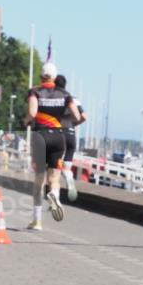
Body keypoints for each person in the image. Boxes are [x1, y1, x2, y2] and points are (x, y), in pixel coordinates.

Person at [24, 62, 80, 230]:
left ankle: (37, 221)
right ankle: (55, 195)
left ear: (41, 76)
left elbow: (32, 113)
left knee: (39, 180)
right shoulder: (65, 94)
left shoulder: (35, 92)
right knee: (54, 178)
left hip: (41, 137)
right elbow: (76, 115)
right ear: (55, 77)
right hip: (58, 137)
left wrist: (26, 121)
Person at [55, 74, 87, 202]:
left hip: (58, 134)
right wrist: (74, 124)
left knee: (55, 167)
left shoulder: (55, 100)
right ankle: (69, 179)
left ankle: (55, 196)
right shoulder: (74, 99)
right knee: (67, 166)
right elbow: (84, 116)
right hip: (71, 134)